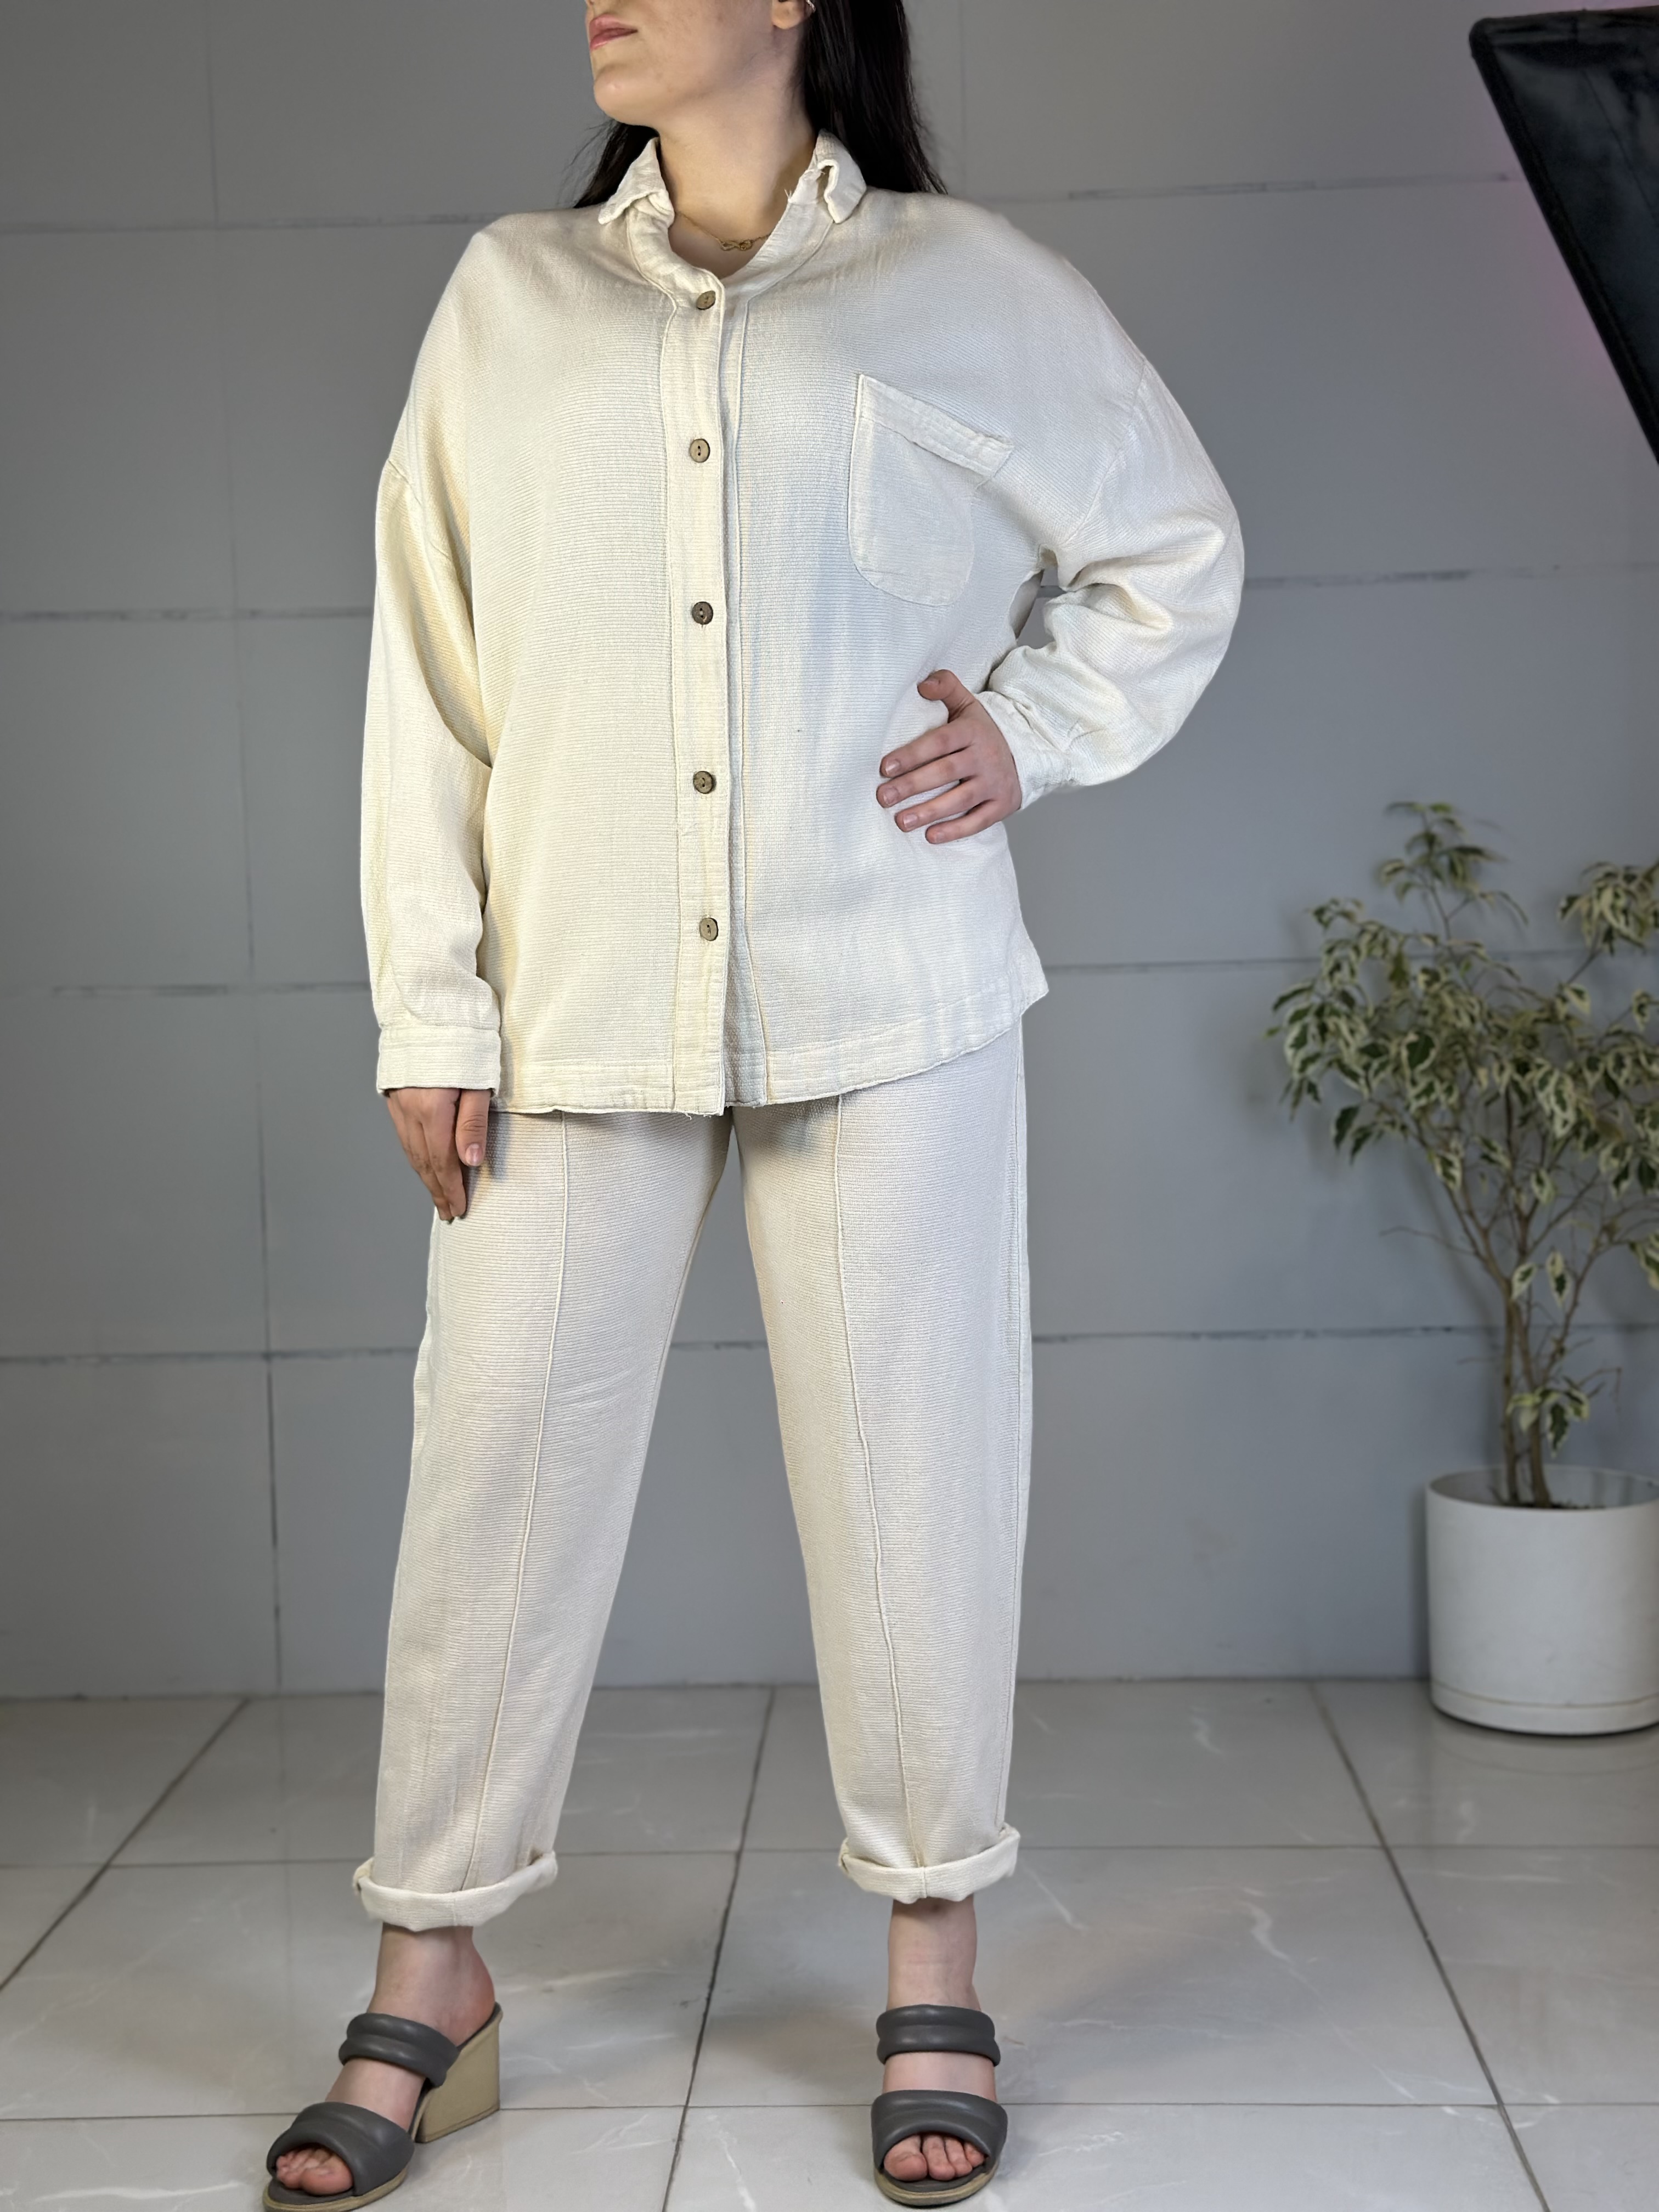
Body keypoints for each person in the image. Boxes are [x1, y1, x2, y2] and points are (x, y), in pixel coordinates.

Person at [262, 1, 1243, 2204]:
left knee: (919, 1480)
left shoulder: (966, 286)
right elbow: (427, 667)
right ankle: (434, 1970)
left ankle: (934, 1954)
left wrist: (1030, 731)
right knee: (495, 1477)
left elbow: (1175, 547)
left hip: (888, 984)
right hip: (574, 999)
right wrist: (431, 1007)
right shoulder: (509, 299)